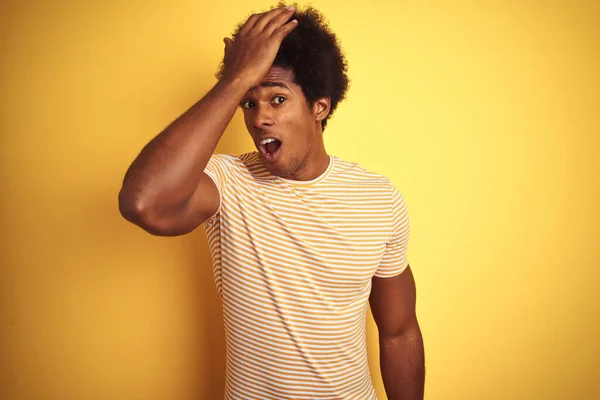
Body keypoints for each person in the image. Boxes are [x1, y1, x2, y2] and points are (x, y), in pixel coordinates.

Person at [118, 3, 425, 399]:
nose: (259, 117)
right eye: (249, 102)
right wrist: (236, 77)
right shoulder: (227, 182)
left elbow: (399, 333)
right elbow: (143, 202)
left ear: (320, 106)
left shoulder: (378, 198)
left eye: (277, 99)